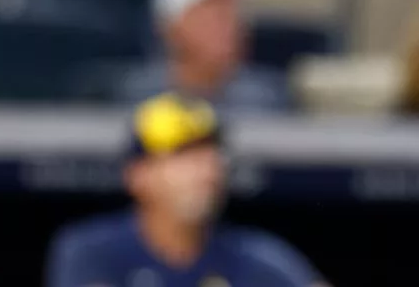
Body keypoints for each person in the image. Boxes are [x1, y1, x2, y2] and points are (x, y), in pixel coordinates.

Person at [45, 92, 330, 287]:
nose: (205, 167)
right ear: (137, 175)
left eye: (210, 152)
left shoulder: (259, 257)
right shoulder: (91, 250)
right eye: (183, 153)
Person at [112, 0, 296, 113]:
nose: (229, 23)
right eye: (210, 9)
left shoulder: (265, 101)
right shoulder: (134, 98)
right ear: (170, 24)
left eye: (233, 9)